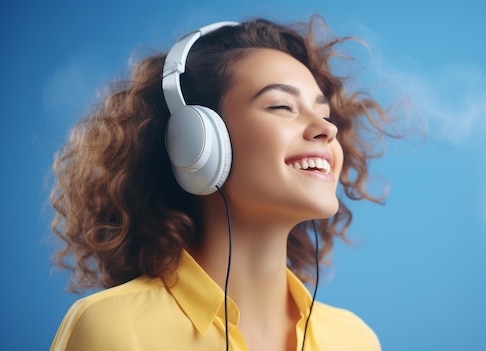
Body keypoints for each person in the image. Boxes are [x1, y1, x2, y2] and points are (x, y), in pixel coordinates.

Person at [50, 16, 393, 351]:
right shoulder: (113, 328)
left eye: (325, 113)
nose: (327, 129)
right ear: (198, 142)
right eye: (282, 105)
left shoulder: (354, 340)